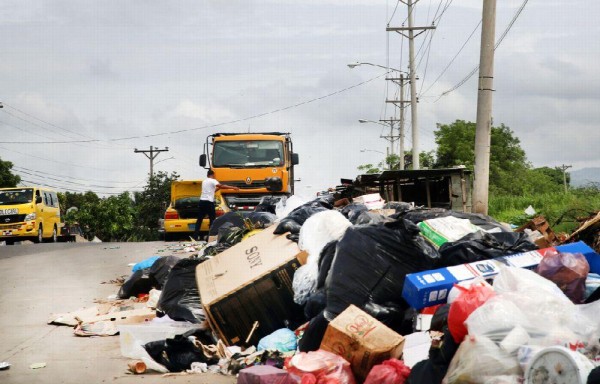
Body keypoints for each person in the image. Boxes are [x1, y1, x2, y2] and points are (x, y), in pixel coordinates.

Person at [193, 170, 239, 241]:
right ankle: (210, 237)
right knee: (212, 220)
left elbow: (212, 191)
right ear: (213, 175)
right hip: (209, 202)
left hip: (202, 201)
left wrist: (219, 187)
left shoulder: (204, 181)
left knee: (199, 220)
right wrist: (233, 187)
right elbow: (220, 186)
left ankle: (195, 236)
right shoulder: (213, 180)